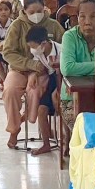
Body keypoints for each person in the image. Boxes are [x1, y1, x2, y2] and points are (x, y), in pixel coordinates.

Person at [2, 0, 66, 148]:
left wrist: (42, 68)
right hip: (19, 69)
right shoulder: (17, 25)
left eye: (39, 11)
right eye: (31, 12)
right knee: (10, 91)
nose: (36, 15)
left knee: (35, 91)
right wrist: (30, 64)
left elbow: (65, 47)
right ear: (24, 10)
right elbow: (8, 53)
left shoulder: (53, 25)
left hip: (43, 71)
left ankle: (32, 120)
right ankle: (14, 129)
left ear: (44, 8)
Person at [60, 0, 95, 144]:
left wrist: (81, 68)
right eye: (82, 16)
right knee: (83, 132)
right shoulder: (70, 36)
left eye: (93, 16)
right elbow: (67, 69)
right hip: (72, 99)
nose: (87, 22)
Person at [25, 26, 62, 156]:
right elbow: (39, 66)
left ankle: (66, 141)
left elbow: (65, 72)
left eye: (34, 46)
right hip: (52, 79)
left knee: (60, 106)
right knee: (41, 110)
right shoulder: (38, 52)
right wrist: (35, 74)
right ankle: (46, 144)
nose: (32, 50)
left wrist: (59, 89)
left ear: (44, 43)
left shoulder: (61, 51)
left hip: (64, 80)